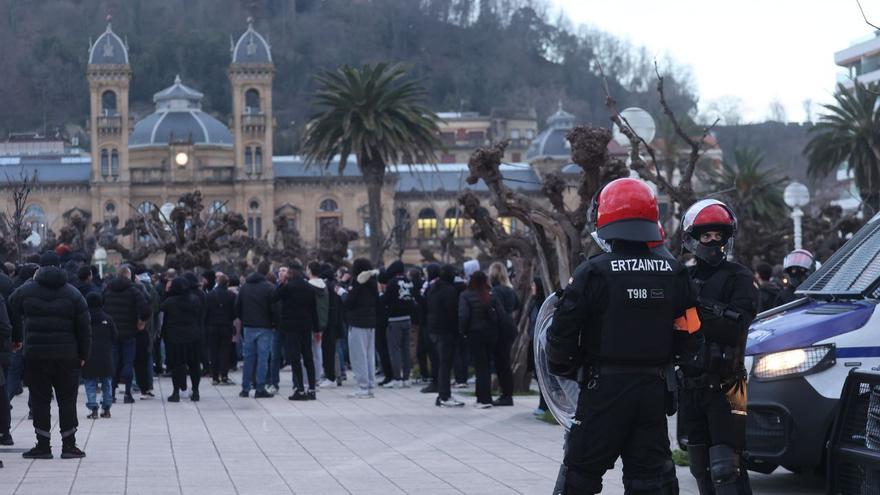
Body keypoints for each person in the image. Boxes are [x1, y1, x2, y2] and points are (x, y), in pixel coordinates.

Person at [547, 178, 699, 494]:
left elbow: (561, 333)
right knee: (650, 479)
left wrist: (569, 369)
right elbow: (692, 330)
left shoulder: (593, 271)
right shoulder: (675, 272)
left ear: (605, 217)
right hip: (654, 390)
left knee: (580, 476)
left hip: (604, 389)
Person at [679, 199, 758, 494]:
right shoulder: (683, 277)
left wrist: (694, 314)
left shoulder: (740, 277)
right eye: (706, 235)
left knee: (728, 467)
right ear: (693, 238)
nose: (713, 241)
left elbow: (736, 326)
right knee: (700, 465)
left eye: (719, 235)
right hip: (690, 384)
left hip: (730, 384)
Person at [9, 251, 91, 459]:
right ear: (60, 267)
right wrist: (83, 353)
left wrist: (17, 337)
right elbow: (84, 327)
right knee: (67, 400)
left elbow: (10, 307)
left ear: (39, 268)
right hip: (67, 356)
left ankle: (43, 445)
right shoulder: (73, 294)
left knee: (40, 400)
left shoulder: (26, 291)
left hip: (36, 355)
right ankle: (69, 445)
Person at [102, 265, 150, 404]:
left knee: (114, 361)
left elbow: (100, 305)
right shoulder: (134, 290)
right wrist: (141, 322)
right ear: (128, 275)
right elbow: (146, 309)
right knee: (128, 362)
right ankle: (127, 393)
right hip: (129, 331)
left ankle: (111, 393)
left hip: (112, 332)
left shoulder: (107, 289)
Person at [459, 271, 506, 409]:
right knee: (486, 365)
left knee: (480, 366)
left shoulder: (466, 295)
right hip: (491, 334)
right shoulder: (491, 295)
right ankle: (482, 397)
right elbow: (501, 314)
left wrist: (463, 331)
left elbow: (463, 316)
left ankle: (484, 399)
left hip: (475, 334)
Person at [271, 264, 319, 400]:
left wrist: (281, 283)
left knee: (295, 358)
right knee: (308, 358)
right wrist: (316, 329)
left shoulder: (287, 287)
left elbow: (273, 297)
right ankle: (312, 389)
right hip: (306, 327)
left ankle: (300, 390)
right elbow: (314, 310)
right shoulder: (309, 288)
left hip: (291, 328)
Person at [235, 261, 276, 398]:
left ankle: (245, 388)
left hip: (249, 327)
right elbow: (274, 308)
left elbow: (238, 307)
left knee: (248, 359)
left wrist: (244, 319)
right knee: (263, 359)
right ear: (267, 272)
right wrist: (274, 323)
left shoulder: (245, 287)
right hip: (265, 327)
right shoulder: (269, 287)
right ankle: (260, 387)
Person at [161, 278, 204, 402]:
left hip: (175, 338)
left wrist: (167, 292)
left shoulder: (170, 302)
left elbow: (161, 308)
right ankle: (195, 391)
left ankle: (176, 392)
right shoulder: (195, 299)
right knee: (194, 365)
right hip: (193, 336)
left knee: (177, 366)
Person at [428, 264, 464, 407]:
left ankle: (444, 394)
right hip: (446, 332)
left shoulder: (433, 289)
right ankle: (444, 396)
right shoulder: (449, 291)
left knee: (441, 363)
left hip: (434, 330)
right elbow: (452, 313)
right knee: (445, 364)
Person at [344, 259, 379, 398]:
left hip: (358, 322)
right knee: (369, 356)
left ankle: (362, 386)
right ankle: (370, 385)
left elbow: (350, 302)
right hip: (370, 323)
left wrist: (343, 294)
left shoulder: (358, 282)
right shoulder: (373, 282)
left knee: (358, 356)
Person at [380, 260, 416, 388]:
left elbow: (385, 300)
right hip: (407, 318)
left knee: (394, 349)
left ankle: (397, 377)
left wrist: (380, 294)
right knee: (406, 349)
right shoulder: (408, 281)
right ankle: (406, 377)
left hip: (394, 320)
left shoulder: (392, 283)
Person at [82, 292, 117, 419]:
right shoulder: (108, 319)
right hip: (105, 356)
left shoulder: (84, 319)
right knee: (107, 383)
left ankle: (93, 409)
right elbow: (115, 336)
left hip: (88, 355)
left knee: (90, 383)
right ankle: (106, 409)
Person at [488, 261, 517, 406]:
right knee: (505, 362)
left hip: (501, 328)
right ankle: (506, 393)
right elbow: (517, 305)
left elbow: (496, 312)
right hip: (510, 327)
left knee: (502, 364)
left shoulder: (496, 291)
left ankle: (506, 395)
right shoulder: (510, 290)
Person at [206, 273, 237, 385]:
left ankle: (214, 377)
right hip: (226, 326)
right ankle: (224, 375)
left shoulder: (210, 295)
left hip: (212, 326)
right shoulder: (231, 295)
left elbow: (206, 312)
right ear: (227, 283)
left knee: (213, 351)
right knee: (224, 351)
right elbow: (235, 312)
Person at [318, 264, 343, 388]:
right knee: (333, 350)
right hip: (337, 322)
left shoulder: (327, 286)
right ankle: (335, 376)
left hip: (329, 323)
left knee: (328, 350)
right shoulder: (336, 285)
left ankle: (330, 377)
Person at [527, 277, 548, 417]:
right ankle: (542, 404)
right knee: (537, 374)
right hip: (533, 342)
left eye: (533, 285)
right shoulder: (533, 303)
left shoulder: (542, 304)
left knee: (543, 376)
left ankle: (544, 405)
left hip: (542, 344)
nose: (532, 288)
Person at [306, 262, 328, 384]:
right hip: (321, 323)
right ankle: (318, 377)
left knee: (307, 351)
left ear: (309, 270)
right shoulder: (325, 287)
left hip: (309, 323)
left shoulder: (308, 286)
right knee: (318, 351)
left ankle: (308, 378)